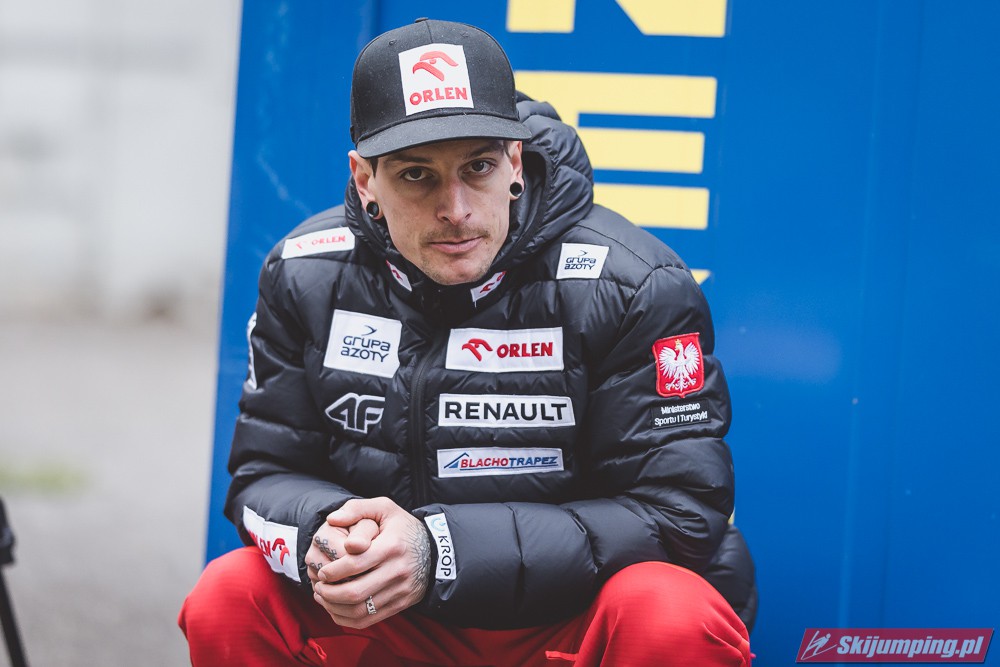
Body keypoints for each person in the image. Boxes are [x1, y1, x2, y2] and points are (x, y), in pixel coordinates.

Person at [179, 17, 756, 667]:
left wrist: (438, 550)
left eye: (477, 166)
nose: (455, 208)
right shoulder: (306, 273)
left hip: (564, 619)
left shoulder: (634, 284)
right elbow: (261, 477)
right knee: (230, 594)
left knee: (671, 613)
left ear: (515, 163)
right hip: (391, 616)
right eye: (416, 175)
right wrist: (330, 533)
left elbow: (681, 517)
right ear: (366, 180)